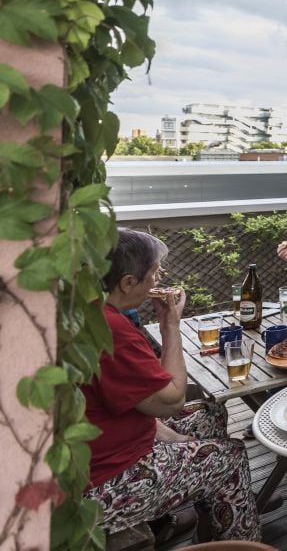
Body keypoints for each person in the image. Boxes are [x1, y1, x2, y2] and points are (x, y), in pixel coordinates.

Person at [84, 229, 260, 541]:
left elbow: (137, 402)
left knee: (210, 412)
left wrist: (169, 435)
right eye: (154, 272)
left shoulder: (91, 309)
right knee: (230, 457)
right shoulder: (111, 329)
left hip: (110, 443)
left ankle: (221, 506)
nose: (158, 278)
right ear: (127, 282)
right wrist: (170, 325)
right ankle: (240, 536)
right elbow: (172, 399)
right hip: (102, 483)